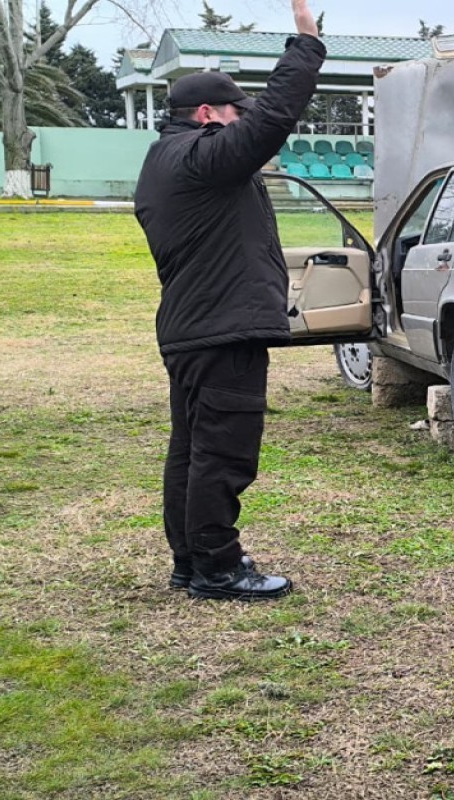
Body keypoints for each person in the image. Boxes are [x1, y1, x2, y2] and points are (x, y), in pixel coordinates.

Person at [134, 0, 326, 601]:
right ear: (206, 112)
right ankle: (218, 567)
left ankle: (191, 563)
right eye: (233, 113)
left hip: (194, 327)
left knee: (192, 451)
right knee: (223, 453)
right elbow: (271, 119)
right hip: (222, 330)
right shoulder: (201, 155)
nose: (242, 122)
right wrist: (305, 46)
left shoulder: (164, 161)